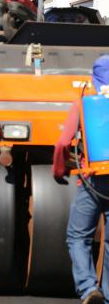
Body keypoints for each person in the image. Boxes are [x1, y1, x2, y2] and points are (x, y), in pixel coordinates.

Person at [53, 55, 109, 304]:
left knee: (78, 236)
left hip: (93, 180)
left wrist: (59, 170)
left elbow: (64, 142)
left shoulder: (85, 102)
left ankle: (88, 288)